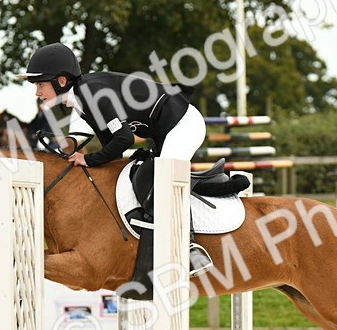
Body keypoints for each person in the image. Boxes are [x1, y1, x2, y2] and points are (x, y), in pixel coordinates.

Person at [17, 42, 214, 275]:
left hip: (183, 124)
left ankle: (191, 249)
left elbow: (124, 139)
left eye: (40, 85)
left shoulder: (91, 95)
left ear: (61, 81)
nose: (37, 92)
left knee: (165, 178)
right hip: (163, 130)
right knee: (139, 175)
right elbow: (114, 146)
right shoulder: (81, 100)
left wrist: (88, 160)